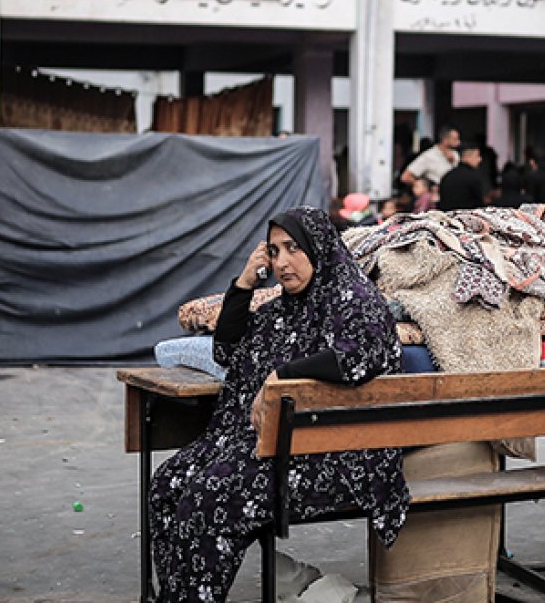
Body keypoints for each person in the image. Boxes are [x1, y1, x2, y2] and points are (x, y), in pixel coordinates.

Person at [149, 207, 408, 603]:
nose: (282, 262)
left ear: (318, 247)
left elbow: (367, 353)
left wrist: (283, 375)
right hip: (278, 445)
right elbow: (227, 348)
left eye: (293, 248)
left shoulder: (353, 299)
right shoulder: (283, 310)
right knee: (167, 483)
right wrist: (244, 282)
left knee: (210, 494)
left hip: (334, 453)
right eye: (273, 251)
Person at [436, 144, 487, 212]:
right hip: (468, 217)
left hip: (447, 218)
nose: (480, 159)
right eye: (477, 156)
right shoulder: (473, 177)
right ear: (467, 157)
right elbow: (479, 205)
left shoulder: (447, 176)